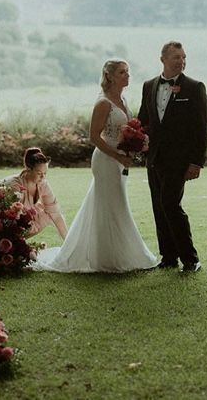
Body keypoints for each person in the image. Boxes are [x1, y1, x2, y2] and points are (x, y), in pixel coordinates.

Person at [34, 60, 159, 272]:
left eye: (128, 71)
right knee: (111, 204)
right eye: (122, 72)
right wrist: (117, 156)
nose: (128, 75)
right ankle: (108, 257)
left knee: (112, 203)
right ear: (109, 76)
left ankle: (111, 251)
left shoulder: (122, 98)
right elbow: (94, 136)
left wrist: (134, 144)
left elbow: (125, 129)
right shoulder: (103, 103)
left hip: (119, 157)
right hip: (106, 159)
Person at [136, 41, 207, 272]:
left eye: (184, 57)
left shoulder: (194, 87)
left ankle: (190, 258)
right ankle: (168, 256)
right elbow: (144, 121)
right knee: (159, 206)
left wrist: (196, 162)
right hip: (154, 158)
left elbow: (202, 128)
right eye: (176, 57)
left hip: (179, 160)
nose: (182, 61)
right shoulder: (149, 86)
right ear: (163, 60)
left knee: (170, 204)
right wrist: (135, 140)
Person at [0, 147, 68, 239]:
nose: (43, 177)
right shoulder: (14, 186)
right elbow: (10, 219)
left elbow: (55, 213)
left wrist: (68, 242)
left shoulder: (42, 183)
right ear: (28, 169)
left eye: (45, 173)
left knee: (49, 213)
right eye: (39, 173)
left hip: (18, 218)